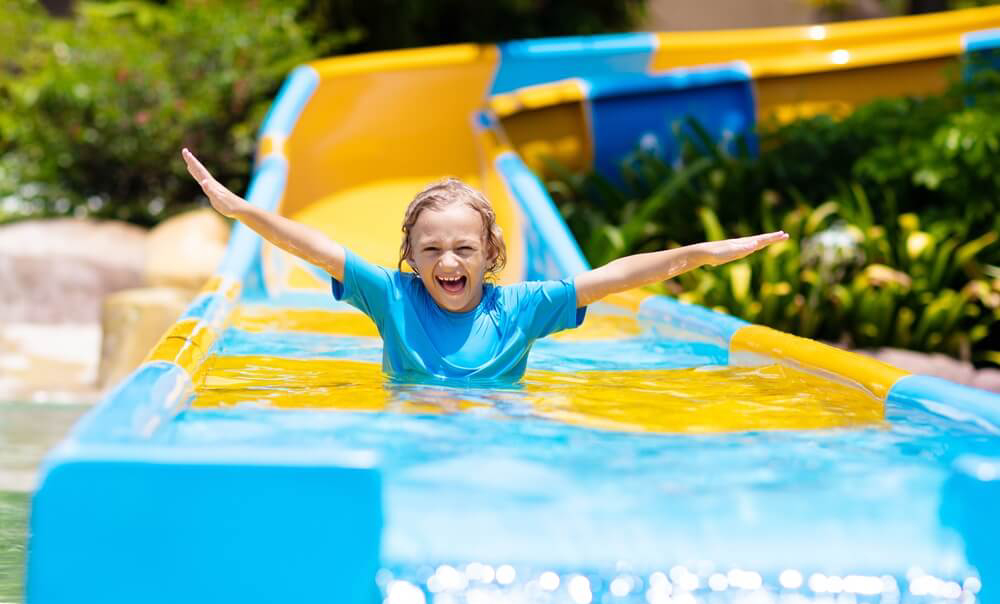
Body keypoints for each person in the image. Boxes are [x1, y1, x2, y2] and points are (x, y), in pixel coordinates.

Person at [181, 147, 788, 381]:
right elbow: (307, 244)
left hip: (499, 427)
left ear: (491, 255)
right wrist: (239, 208)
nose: (448, 260)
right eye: (431, 249)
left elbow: (622, 274)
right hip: (413, 426)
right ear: (411, 257)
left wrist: (705, 253)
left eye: (464, 249)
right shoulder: (390, 295)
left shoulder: (524, 308)